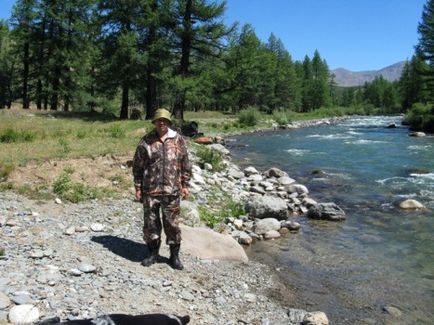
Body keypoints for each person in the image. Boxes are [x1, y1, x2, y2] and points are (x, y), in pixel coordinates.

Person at [132, 108, 191, 270]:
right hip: (150, 190)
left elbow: (184, 163)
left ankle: (174, 257)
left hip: (172, 191)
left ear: (169, 122)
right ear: (155, 122)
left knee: (172, 224)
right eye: (159, 120)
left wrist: (185, 185)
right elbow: (138, 166)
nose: (162, 123)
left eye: (165, 120)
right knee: (151, 224)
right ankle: (152, 254)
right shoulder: (146, 141)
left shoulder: (178, 140)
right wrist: (138, 188)